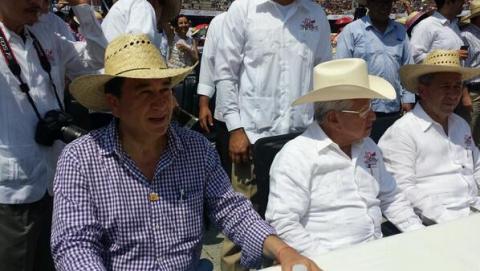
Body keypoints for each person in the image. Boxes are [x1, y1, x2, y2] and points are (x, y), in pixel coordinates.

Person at [51, 33, 322, 271]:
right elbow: (75, 244)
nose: (160, 103)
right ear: (115, 104)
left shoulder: (196, 148)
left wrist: (283, 250)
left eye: (165, 90)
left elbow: (232, 210)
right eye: (144, 92)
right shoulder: (81, 159)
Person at [214, 0, 332, 269]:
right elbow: (226, 74)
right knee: (241, 223)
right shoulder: (244, 9)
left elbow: (323, 74)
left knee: (297, 218)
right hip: (253, 138)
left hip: (302, 140)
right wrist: (235, 128)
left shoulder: (314, 14)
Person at [265, 58, 424, 257]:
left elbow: (391, 198)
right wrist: (330, 263)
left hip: (378, 252)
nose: (373, 116)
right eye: (364, 110)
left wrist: (421, 236)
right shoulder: (296, 156)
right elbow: (284, 224)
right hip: (326, 258)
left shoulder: (368, 146)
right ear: (333, 118)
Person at [0, 0, 107, 270]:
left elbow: (97, 59)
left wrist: (82, 7)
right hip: (12, 193)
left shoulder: (47, 32)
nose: (39, 4)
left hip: (55, 181)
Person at [378, 50, 480, 224]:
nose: (453, 94)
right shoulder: (402, 132)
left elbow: (477, 167)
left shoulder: (460, 125)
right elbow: (403, 189)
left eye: (457, 87)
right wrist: (448, 221)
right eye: (445, 87)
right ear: (423, 91)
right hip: (436, 223)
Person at [336, 0, 415, 117]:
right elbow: (342, 69)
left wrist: (408, 99)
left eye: (387, 3)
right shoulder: (352, 31)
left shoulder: (401, 31)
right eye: (378, 2)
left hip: (394, 106)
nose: (384, 7)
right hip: (361, 109)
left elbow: (408, 68)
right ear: (369, 4)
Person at [410, 0, 472, 120]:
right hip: (435, 92)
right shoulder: (427, 26)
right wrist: (450, 56)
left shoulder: (453, 25)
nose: (463, 3)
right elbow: (415, 57)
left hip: (453, 89)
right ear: (449, 2)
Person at [196, 12, 231, 175]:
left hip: (262, 114)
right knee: (227, 164)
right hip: (227, 109)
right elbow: (209, 62)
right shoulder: (220, 22)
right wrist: (204, 103)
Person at [101, 0, 180, 47]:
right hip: (123, 73)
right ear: (156, 2)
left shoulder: (122, 5)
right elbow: (141, 49)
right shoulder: (144, 6)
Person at [461, 0, 480, 144]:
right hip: (473, 91)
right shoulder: (466, 36)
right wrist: (465, 95)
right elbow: (463, 67)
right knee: (470, 131)